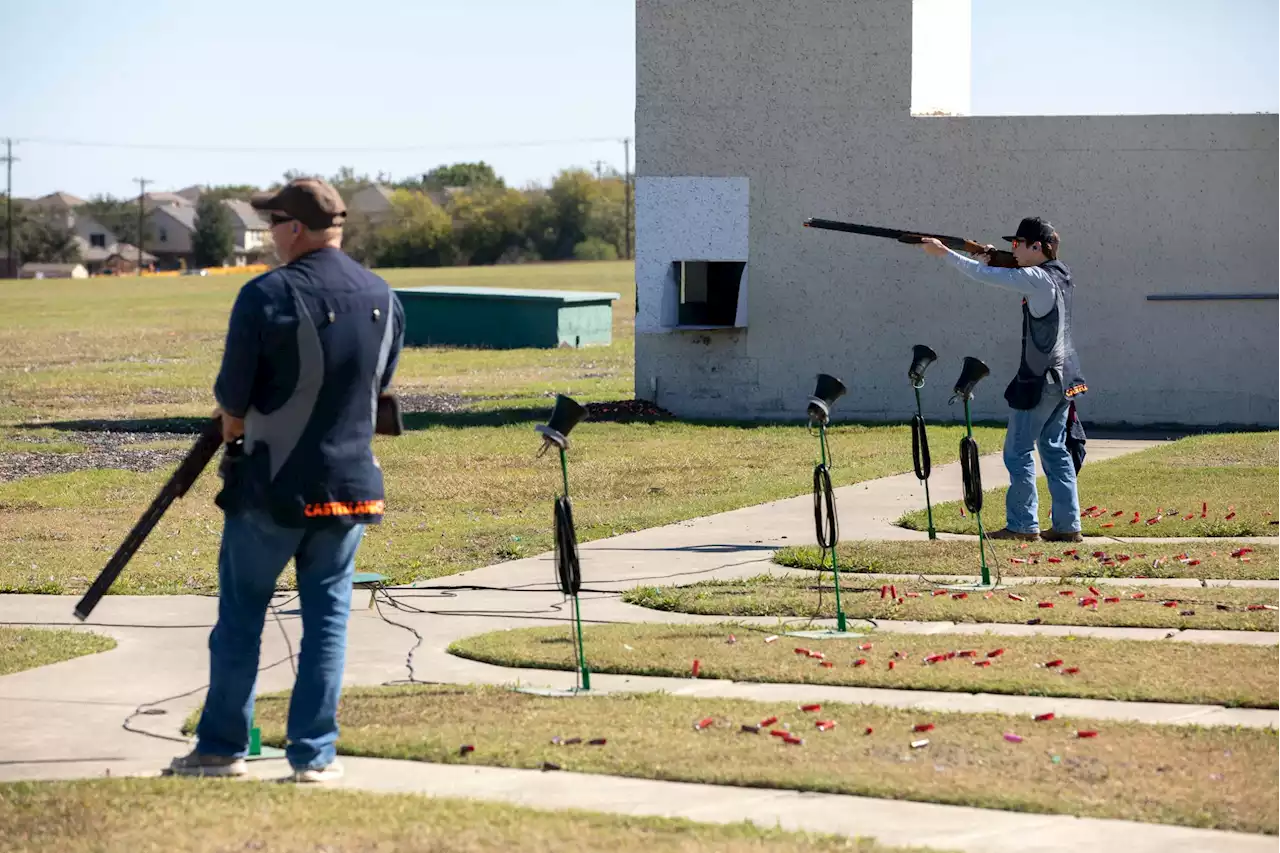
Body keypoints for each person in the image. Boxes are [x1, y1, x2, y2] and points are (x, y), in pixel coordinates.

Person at [168, 177, 405, 782]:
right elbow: (378, 391)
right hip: (351, 489)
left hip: (271, 487)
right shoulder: (384, 294)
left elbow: (233, 402)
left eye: (274, 224)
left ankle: (221, 748)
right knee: (327, 622)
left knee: (241, 619)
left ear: (294, 227)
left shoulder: (265, 294)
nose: (270, 236)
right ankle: (315, 756)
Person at [918, 216, 1087, 543]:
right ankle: (1068, 525)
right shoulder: (1061, 273)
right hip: (1065, 375)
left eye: (1018, 244)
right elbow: (1011, 270)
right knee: (1054, 450)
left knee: (1017, 452)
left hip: (1040, 379)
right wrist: (992, 255)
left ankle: (1023, 525)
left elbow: (986, 275)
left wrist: (947, 254)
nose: (1014, 249)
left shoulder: (1037, 277)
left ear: (1036, 247)